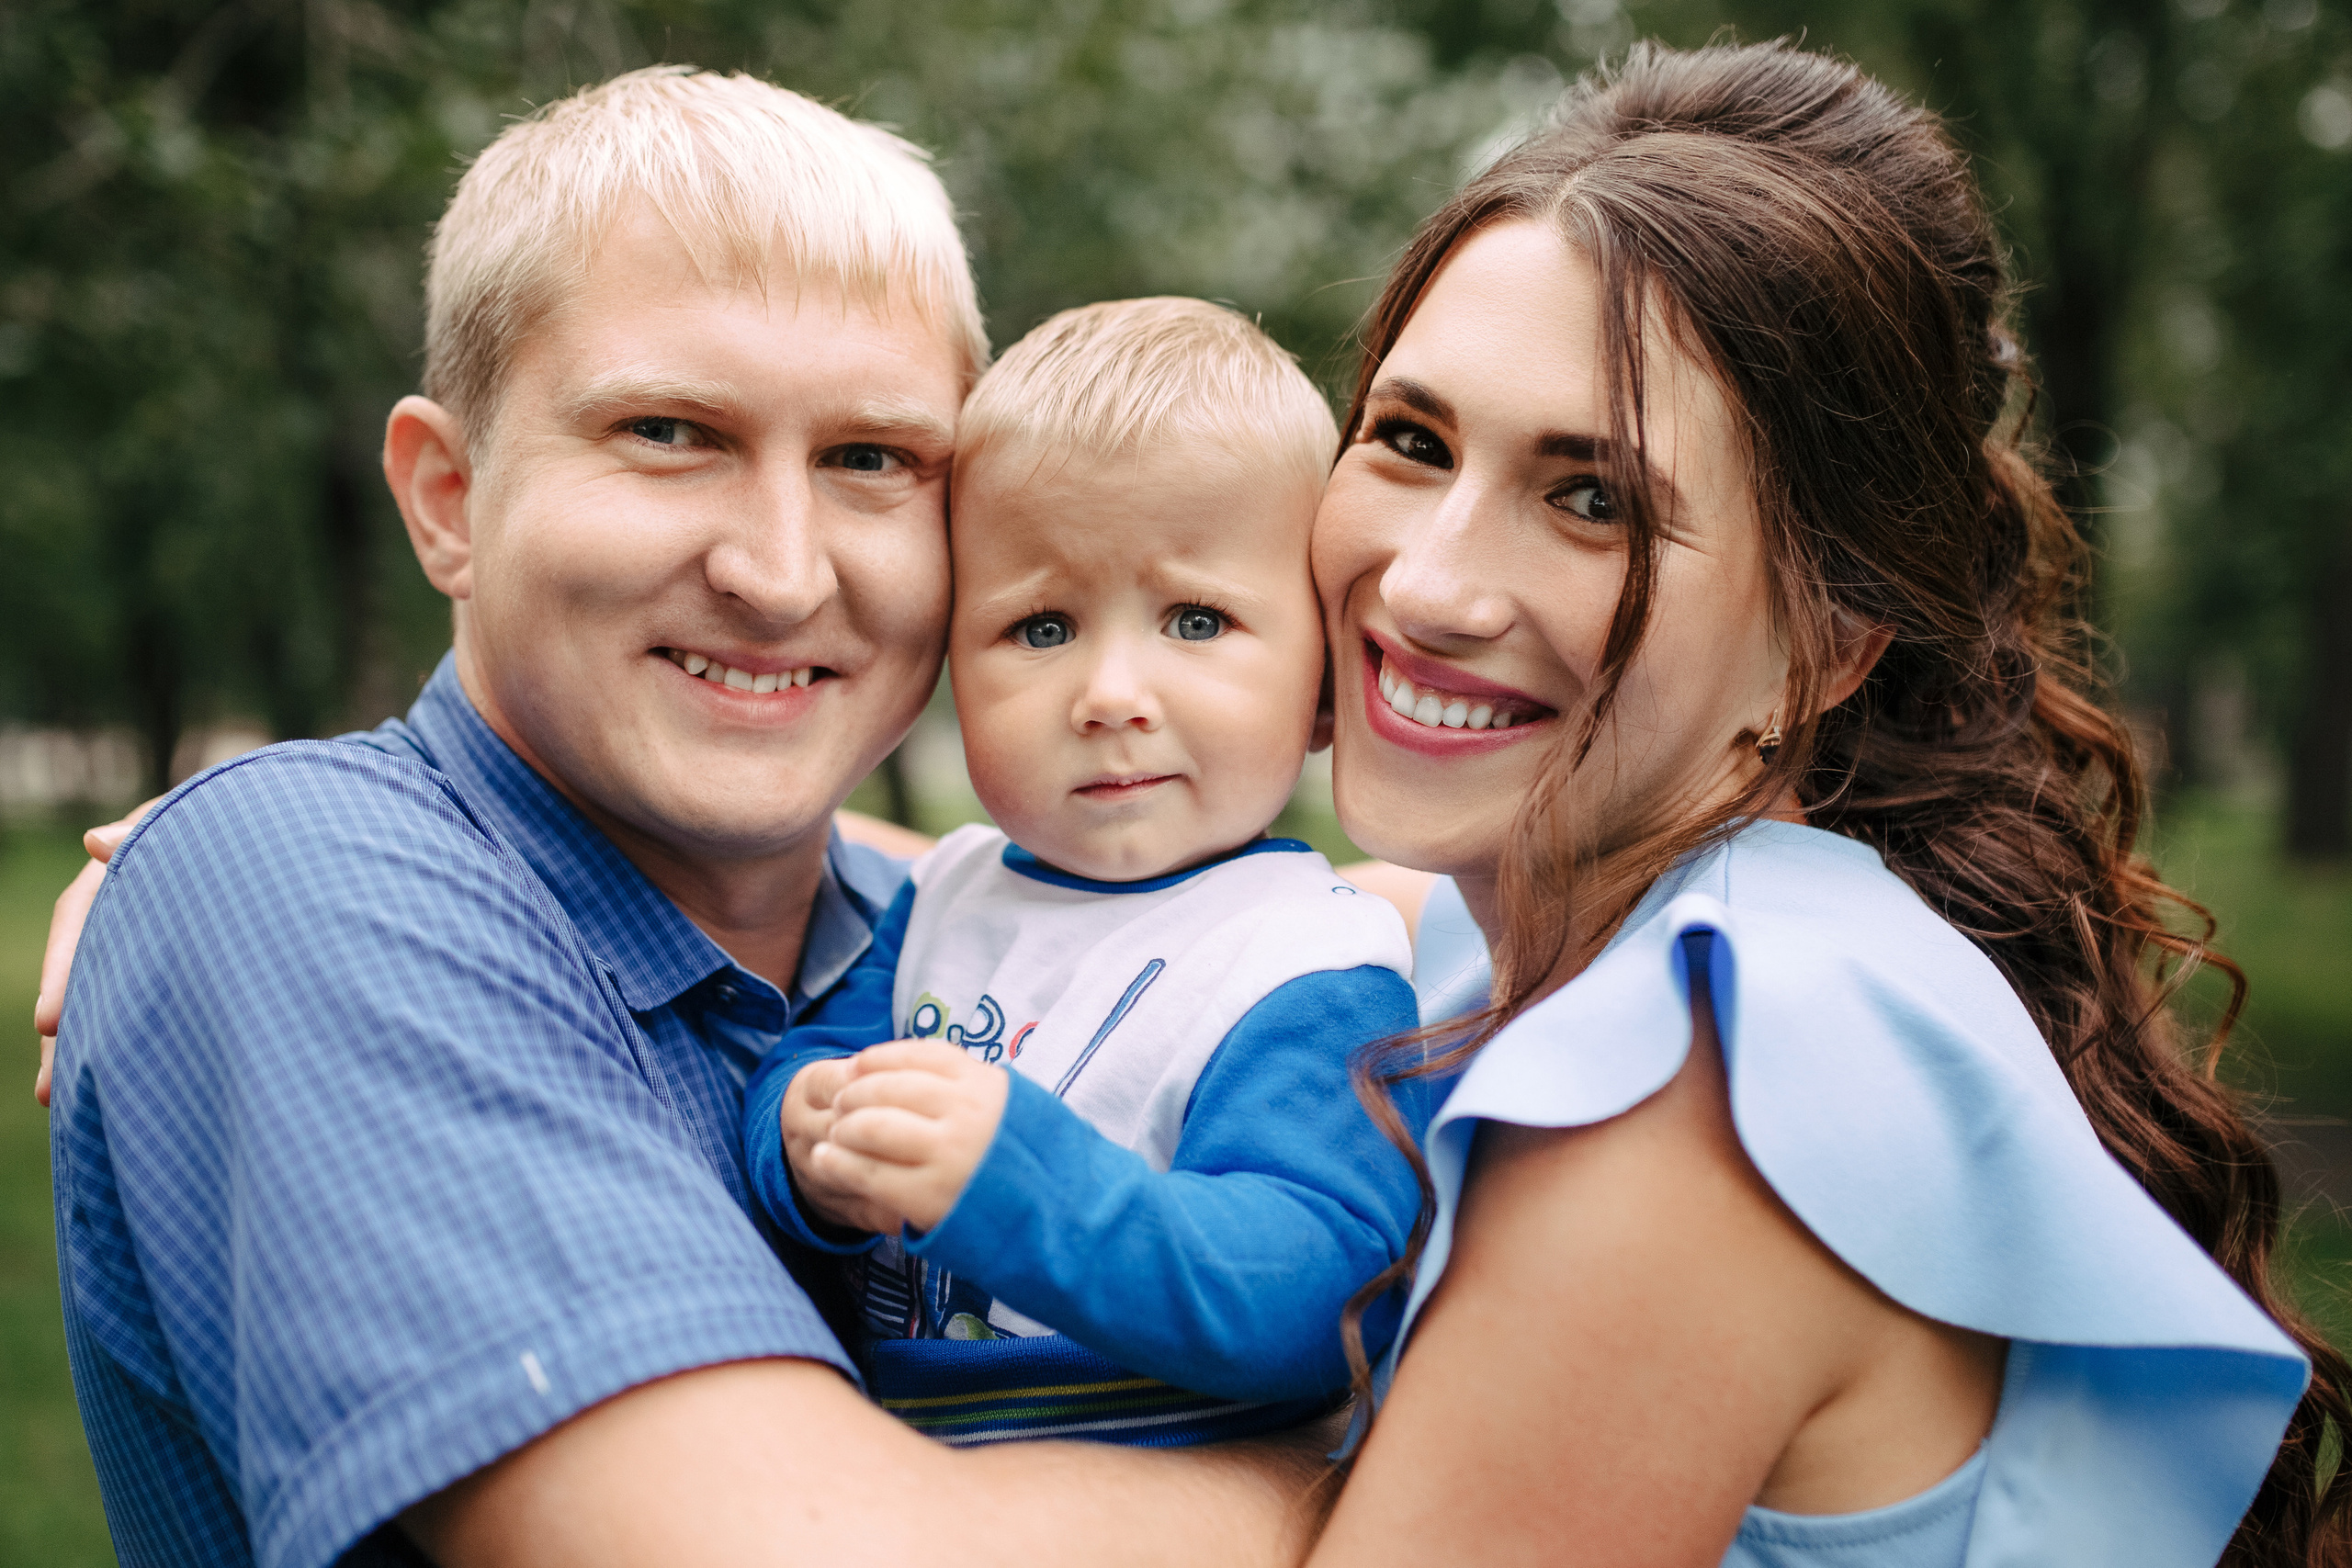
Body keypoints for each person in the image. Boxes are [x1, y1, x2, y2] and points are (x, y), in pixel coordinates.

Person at [40, 67, 1332, 1568]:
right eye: (668, 431)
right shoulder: (305, 880)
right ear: (449, 497)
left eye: (870, 459)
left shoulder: (933, 931)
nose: (780, 573)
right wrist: (1403, 1492)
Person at [1289, 41, 2343, 1567]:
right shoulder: (1602, 930)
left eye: (1592, 499)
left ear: (1833, 641)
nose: (1430, 583)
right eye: (1412, 439)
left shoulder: (1695, 1097)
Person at [740, 298, 1426, 1447]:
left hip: (1146, 1473)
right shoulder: (947, 896)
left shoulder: (1306, 963)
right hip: (888, 1452)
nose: (1109, 696)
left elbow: (1319, 1289)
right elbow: (812, 1057)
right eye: (1043, 628)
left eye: (1195, 621)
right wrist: (800, 1136)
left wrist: (1023, 1183)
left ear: (1321, 687)